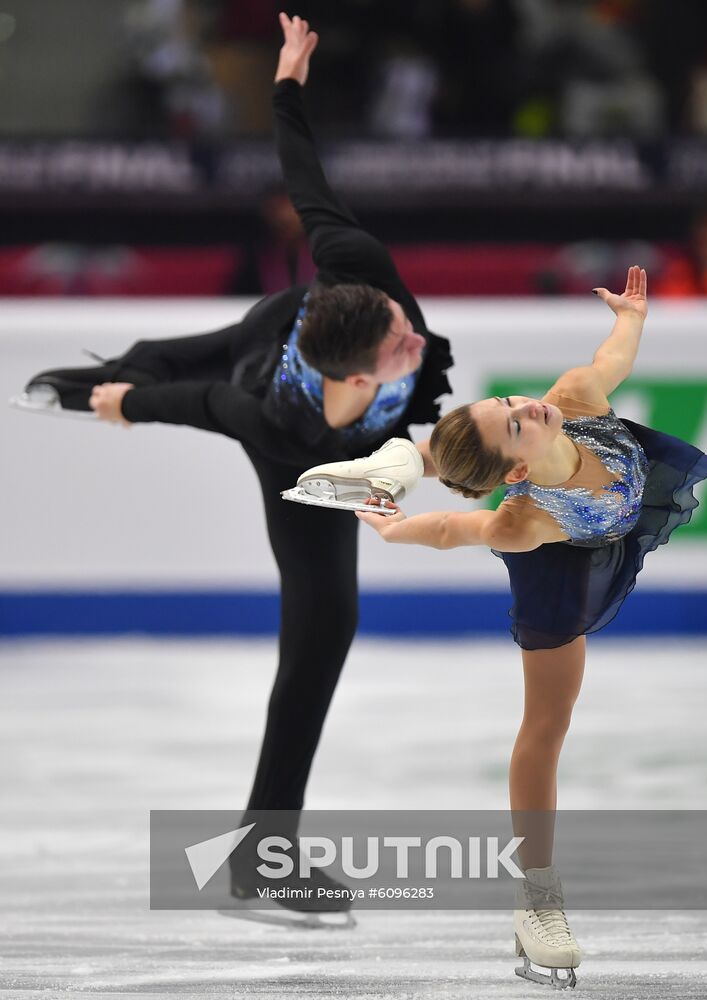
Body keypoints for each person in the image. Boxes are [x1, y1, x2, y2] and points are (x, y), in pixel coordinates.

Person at [14, 13, 452, 915]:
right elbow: (204, 408)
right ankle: (89, 383)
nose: (420, 330)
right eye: (404, 339)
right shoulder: (278, 422)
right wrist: (125, 403)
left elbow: (308, 183)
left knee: (177, 369)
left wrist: (288, 82)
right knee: (322, 615)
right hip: (273, 401)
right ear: (361, 372)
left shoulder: (362, 274)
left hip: (305, 346)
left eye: (403, 320)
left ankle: (262, 847)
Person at [329, 265, 707, 986]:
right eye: (514, 423)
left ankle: (401, 456)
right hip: (560, 561)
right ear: (514, 469)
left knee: (459, 450)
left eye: (510, 401)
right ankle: (536, 898)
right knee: (546, 725)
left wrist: (630, 316)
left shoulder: (570, 399)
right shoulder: (522, 519)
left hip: (610, 514)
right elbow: (453, 527)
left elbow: (611, 361)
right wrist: (394, 533)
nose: (527, 409)